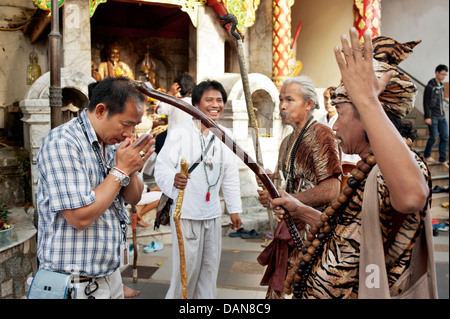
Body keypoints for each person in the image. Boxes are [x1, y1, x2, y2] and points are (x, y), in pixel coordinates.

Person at [269, 29, 435, 299]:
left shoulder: (395, 169)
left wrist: (367, 100)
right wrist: (299, 209)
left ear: (369, 116)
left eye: (342, 113)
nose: (334, 125)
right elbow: (350, 233)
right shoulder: (368, 169)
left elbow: (412, 198)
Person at [36, 76, 155, 299]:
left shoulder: (110, 144)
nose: (129, 133)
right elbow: (79, 217)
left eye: (134, 125)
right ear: (101, 111)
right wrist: (120, 170)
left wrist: (133, 166)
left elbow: (134, 198)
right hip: (73, 282)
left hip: (110, 275)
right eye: (126, 124)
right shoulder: (63, 142)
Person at [256, 76, 342, 299]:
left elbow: (332, 189)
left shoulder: (321, 134)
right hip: (289, 231)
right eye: (281, 99)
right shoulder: (287, 141)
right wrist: (271, 194)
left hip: (313, 235)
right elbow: (286, 184)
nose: (282, 106)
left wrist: (292, 200)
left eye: (289, 100)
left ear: (308, 104)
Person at [155, 80, 242, 299]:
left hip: (212, 215)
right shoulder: (180, 132)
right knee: (186, 272)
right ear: (195, 104)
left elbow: (230, 174)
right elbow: (162, 167)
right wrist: (174, 179)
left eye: (219, 100)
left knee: (209, 271)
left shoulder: (226, 134)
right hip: (186, 214)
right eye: (209, 100)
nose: (216, 105)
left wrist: (234, 209)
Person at [155, 73, 196, 154]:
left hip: (174, 143)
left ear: (178, 88)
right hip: (193, 143)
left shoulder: (174, 102)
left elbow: (158, 110)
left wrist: (169, 93)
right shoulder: (197, 102)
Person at [423, 64, 449, 169]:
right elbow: (426, 102)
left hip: (442, 116)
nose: (444, 76)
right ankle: (427, 155)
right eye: (442, 74)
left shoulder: (441, 85)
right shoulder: (430, 86)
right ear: (437, 73)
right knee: (434, 136)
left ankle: (442, 159)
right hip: (432, 116)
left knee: (445, 136)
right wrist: (427, 116)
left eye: (445, 75)